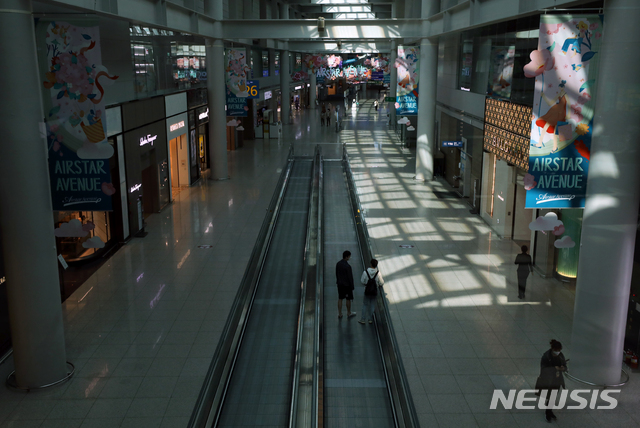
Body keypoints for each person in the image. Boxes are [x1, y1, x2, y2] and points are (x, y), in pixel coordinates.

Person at [535, 340, 567, 423]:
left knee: (553, 396)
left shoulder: (560, 355)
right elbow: (544, 370)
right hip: (549, 380)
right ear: (552, 349)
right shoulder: (546, 357)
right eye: (556, 350)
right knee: (550, 396)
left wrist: (562, 368)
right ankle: (548, 412)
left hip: (557, 379)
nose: (558, 352)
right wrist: (555, 369)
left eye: (559, 350)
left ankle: (549, 410)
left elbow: (564, 366)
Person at [358, 259, 384, 325]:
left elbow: (362, 281)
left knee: (365, 304)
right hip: (374, 292)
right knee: (372, 305)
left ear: (371, 264)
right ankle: (370, 319)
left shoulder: (365, 272)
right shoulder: (378, 273)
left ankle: (363, 319)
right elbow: (381, 282)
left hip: (367, 291)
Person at [336, 250, 355, 318]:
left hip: (340, 284)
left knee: (340, 298)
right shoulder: (348, 266)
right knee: (348, 298)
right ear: (346, 257)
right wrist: (352, 286)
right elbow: (350, 277)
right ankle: (349, 312)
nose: (349, 257)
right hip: (347, 285)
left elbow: (337, 274)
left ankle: (340, 313)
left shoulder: (338, 264)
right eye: (349, 256)